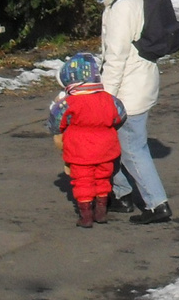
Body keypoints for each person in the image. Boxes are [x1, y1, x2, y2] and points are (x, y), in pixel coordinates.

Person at [75, 0, 171, 224]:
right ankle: (122, 195)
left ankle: (157, 205)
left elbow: (115, 59)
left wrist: (103, 99)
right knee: (110, 143)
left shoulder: (120, 8)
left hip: (129, 91)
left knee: (131, 148)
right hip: (142, 83)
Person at [47, 53, 126, 227]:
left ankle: (86, 215)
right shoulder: (109, 99)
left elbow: (55, 121)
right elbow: (120, 116)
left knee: (82, 180)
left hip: (79, 149)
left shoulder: (70, 102)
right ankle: (101, 211)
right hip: (106, 148)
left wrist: (59, 131)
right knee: (103, 178)